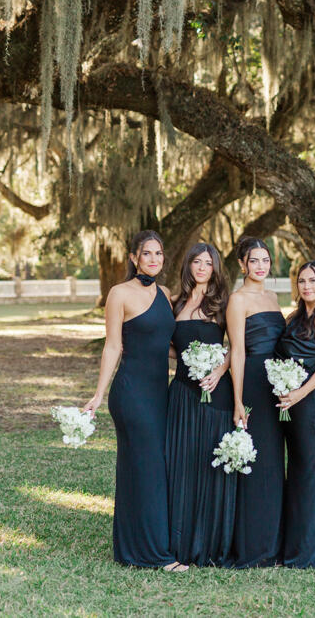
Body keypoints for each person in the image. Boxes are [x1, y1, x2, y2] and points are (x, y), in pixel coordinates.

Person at [83, 230, 186, 571]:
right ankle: (156, 555)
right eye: (147, 254)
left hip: (161, 393)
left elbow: (164, 345)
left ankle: (131, 548)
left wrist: (201, 358)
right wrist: (99, 393)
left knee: (145, 469)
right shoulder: (119, 294)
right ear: (133, 258)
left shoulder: (165, 294)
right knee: (149, 468)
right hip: (131, 393)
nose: (154, 259)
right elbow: (113, 345)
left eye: (158, 254)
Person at [165, 242, 235, 566]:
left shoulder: (222, 304)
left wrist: (218, 371)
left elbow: (237, 346)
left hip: (214, 393)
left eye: (208, 262)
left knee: (208, 467)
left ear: (215, 268)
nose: (202, 267)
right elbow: (168, 346)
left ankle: (207, 544)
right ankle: (178, 542)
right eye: (197, 261)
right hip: (181, 394)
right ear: (189, 266)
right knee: (181, 465)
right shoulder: (175, 302)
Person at [275, 261, 315, 568]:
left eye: (313, 280)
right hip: (294, 404)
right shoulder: (298, 315)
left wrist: (300, 392)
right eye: (302, 281)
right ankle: (296, 544)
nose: (307, 286)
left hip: (314, 403)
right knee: (299, 473)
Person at [226, 237, 286, 568]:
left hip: (276, 385)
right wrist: (237, 399)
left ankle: (273, 543)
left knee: (274, 464)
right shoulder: (238, 300)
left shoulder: (273, 296)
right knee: (256, 463)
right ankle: (253, 547)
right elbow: (236, 349)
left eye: (265, 260)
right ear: (243, 264)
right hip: (251, 384)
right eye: (255, 261)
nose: (261, 266)